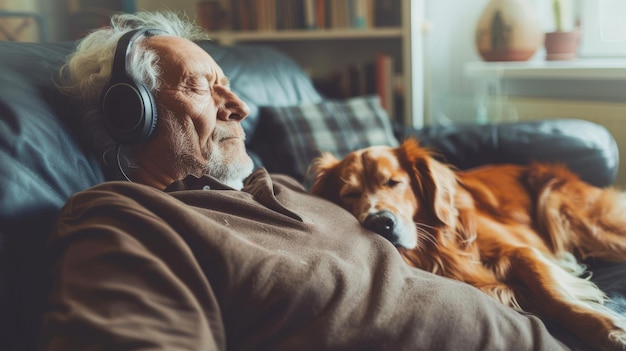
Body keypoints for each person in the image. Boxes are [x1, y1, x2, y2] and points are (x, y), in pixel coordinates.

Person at [38, 11, 577, 350]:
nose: (241, 107)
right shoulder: (126, 221)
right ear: (132, 116)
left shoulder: (294, 188)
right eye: (204, 88)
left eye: (231, 88)